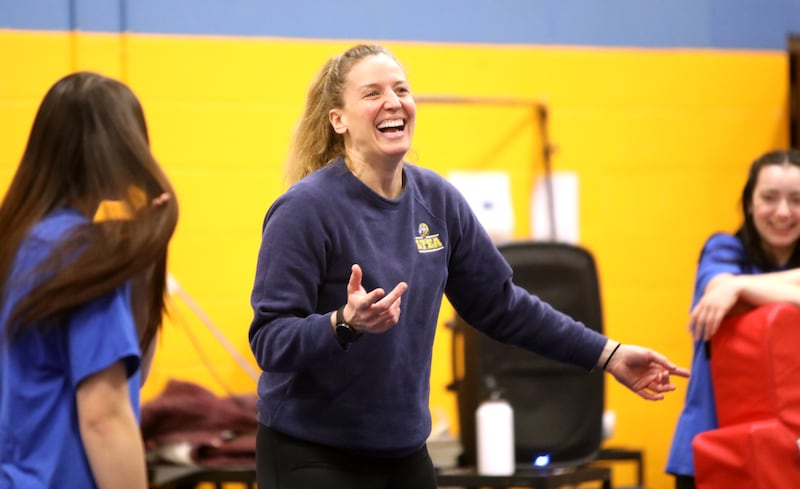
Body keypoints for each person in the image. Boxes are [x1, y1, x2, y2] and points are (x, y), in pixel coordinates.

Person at [248, 43, 690, 489]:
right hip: (311, 452)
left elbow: (503, 307)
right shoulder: (305, 210)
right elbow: (269, 340)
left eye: (401, 89)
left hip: (402, 454)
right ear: (337, 119)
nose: (393, 102)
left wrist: (607, 354)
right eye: (372, 93)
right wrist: (343, 322)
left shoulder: (437, 201)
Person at [0, 72, 179, 489]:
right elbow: (104, 416)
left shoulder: (21, 244)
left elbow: (131, 373)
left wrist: (140, 270)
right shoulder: (76, 252)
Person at [666, 148, 800, 489]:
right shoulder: (723, 250)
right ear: (750, 202)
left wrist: (742, 287)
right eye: (770, 197)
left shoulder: (739, 277)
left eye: (797, 200)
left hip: (788, 453)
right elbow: (720, 294)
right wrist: (733, 289)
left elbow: (733, 291)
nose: (783, 212)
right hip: (715, 442)